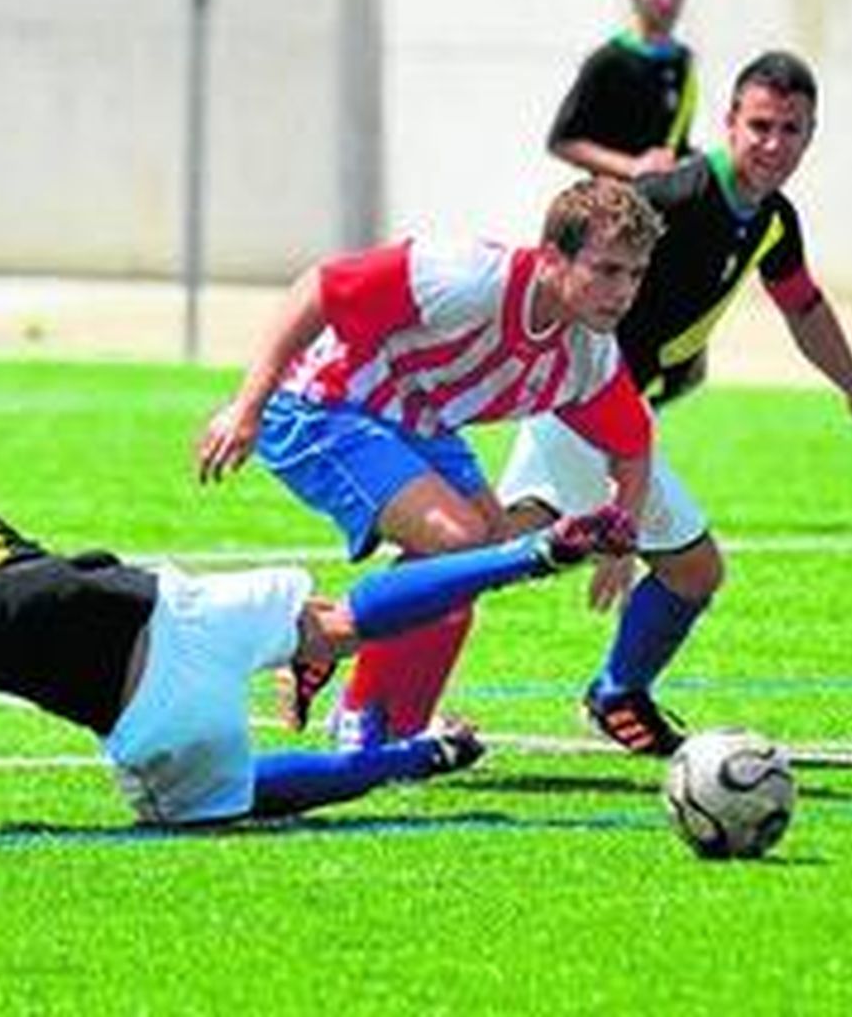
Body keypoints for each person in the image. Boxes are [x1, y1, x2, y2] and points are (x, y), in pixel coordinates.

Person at [0, 426, 636, 829]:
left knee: (232, 800)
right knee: (335, 623)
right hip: (172, 603)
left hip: (156, 715)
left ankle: (415, 756)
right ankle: (537, 553)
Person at [496, 49, 852, 756]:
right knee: (694, 568)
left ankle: (343, 632)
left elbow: (802, 304)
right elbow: (563, 265)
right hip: (589, 410)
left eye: (792, 129)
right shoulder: (670, 200)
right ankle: (616, 693)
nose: (773, 144)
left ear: (811, 135)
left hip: (606, 412)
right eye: (759, 125)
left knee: (485, 542)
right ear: (728, 122)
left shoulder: (774, 219)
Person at [196, 179, 665, 749]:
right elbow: (316, 289)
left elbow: (633, 444)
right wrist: (248, 406)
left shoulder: (587, 354)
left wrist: (625, 533)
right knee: (460, 542)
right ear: (551, 258)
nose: (624, 291)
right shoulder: (466, 275)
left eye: (636, 274)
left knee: (478, 555)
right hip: (322, 402)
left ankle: (398, 725)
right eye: (608, 270)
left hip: (415, 422)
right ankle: (352, 708)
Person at [548, 0, 698, 182]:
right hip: (615, 209)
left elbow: (673, 145)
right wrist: (632, 166)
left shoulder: (683, 60)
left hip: (666, 211)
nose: (668, 0)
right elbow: (562, 141)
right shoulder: (607, 61)